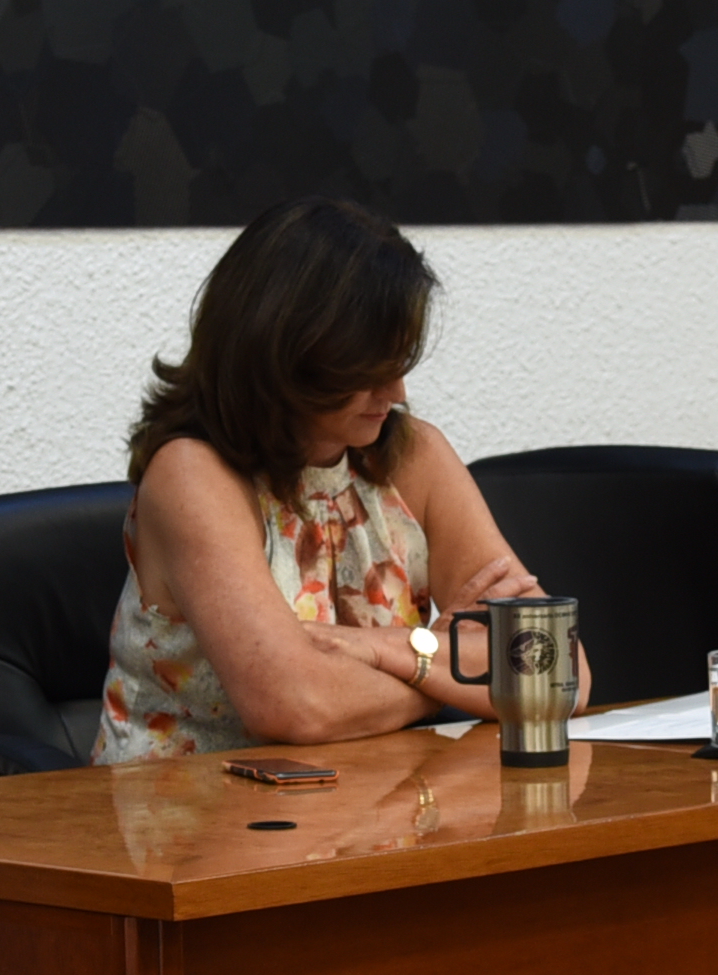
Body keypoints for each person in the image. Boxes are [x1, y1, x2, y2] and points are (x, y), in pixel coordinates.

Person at [98, 200, 578, 758]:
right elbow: (296, 706)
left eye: (400, 363)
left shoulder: (414, 454)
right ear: (288, 353)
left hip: (370, 813)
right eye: (369, 371)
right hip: (191, 825)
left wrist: (379, 650)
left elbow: (557, 673)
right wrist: (440, 667)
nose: (396, 394)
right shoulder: (192, 473)